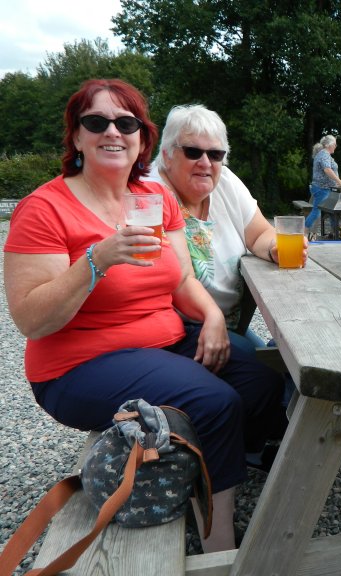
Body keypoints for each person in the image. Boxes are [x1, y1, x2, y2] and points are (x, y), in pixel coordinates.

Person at [3, 79, 288, 553]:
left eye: (126, 122)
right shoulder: (44, 208)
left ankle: (202, 468)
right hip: (78, 366)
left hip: (160, 344)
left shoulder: (149, 200)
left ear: (142, 138)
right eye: (97, 122)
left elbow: (179, 279)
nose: (112, 132)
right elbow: (32, 320)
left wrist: (213, 319)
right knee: (216, 403)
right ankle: (219, 539)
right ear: (76, 136)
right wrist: (97, 260)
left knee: (262, 375)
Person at [147, 104, 305, 357]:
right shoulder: (147, 196)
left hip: (228, 322)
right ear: (166, 155)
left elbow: (260, 233)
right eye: (193, 151)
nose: (205, 162)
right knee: (272, 364)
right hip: (178, 329)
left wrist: (275, 248)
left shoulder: (226, 183)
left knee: (293, 349)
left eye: (216, 154)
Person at [307, 135, 341, 236]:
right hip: (322, 189)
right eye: (335, 144)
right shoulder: (324, 154)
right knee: (317, 212)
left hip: (327, 189)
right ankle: (304, 233)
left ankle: (335, 233)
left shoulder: (325, 155)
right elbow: (327, 170)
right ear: (330, 145)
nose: (336, 146)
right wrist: (340, 182)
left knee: (333, 211)